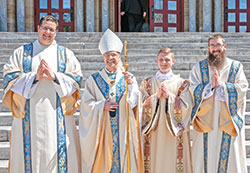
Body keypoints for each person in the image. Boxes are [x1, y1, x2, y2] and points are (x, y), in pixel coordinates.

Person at [2, 15, 82, 172]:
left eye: (51, 29)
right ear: (38, 28)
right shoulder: (22, 53)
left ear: (56, 32)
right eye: (45, 28)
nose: (47, 32)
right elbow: (8, 78)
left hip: (58, 115)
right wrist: (34, 77)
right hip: (28, 116)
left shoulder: (65, 54)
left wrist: (55, 77)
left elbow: (76, 80)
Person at [79, 29, 144, 172]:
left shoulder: (128, 77)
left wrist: (132, 85)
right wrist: (102, 106)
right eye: (107, 55)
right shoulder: (94, 79)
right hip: (102, 131)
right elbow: (85, 105)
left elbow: (135, 104)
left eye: (113, 55)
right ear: (103, 58)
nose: (110, 58)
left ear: (119, 56)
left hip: (123, 129)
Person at [189, 34, 248, 173]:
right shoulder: (199, 67)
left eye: (218, 45)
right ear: (208, 48)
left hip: (227, 120)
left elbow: (243, 87)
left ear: (224, 47)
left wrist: (223, 87)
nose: (215, 49)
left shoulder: (235, 67)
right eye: (212, 45)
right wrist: (208, 87)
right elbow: (192, 89)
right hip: (206, 121)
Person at [140, 47, 193, 172]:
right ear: (157, 61)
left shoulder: (182, 84)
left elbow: (187, 106)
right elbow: (140, 105)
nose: (164, 63)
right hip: (153, 131)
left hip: (173, 133)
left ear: (173, 61)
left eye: (167, 60)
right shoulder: (147, 83)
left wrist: (170, 97)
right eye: (161, 60)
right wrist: (155, 98)